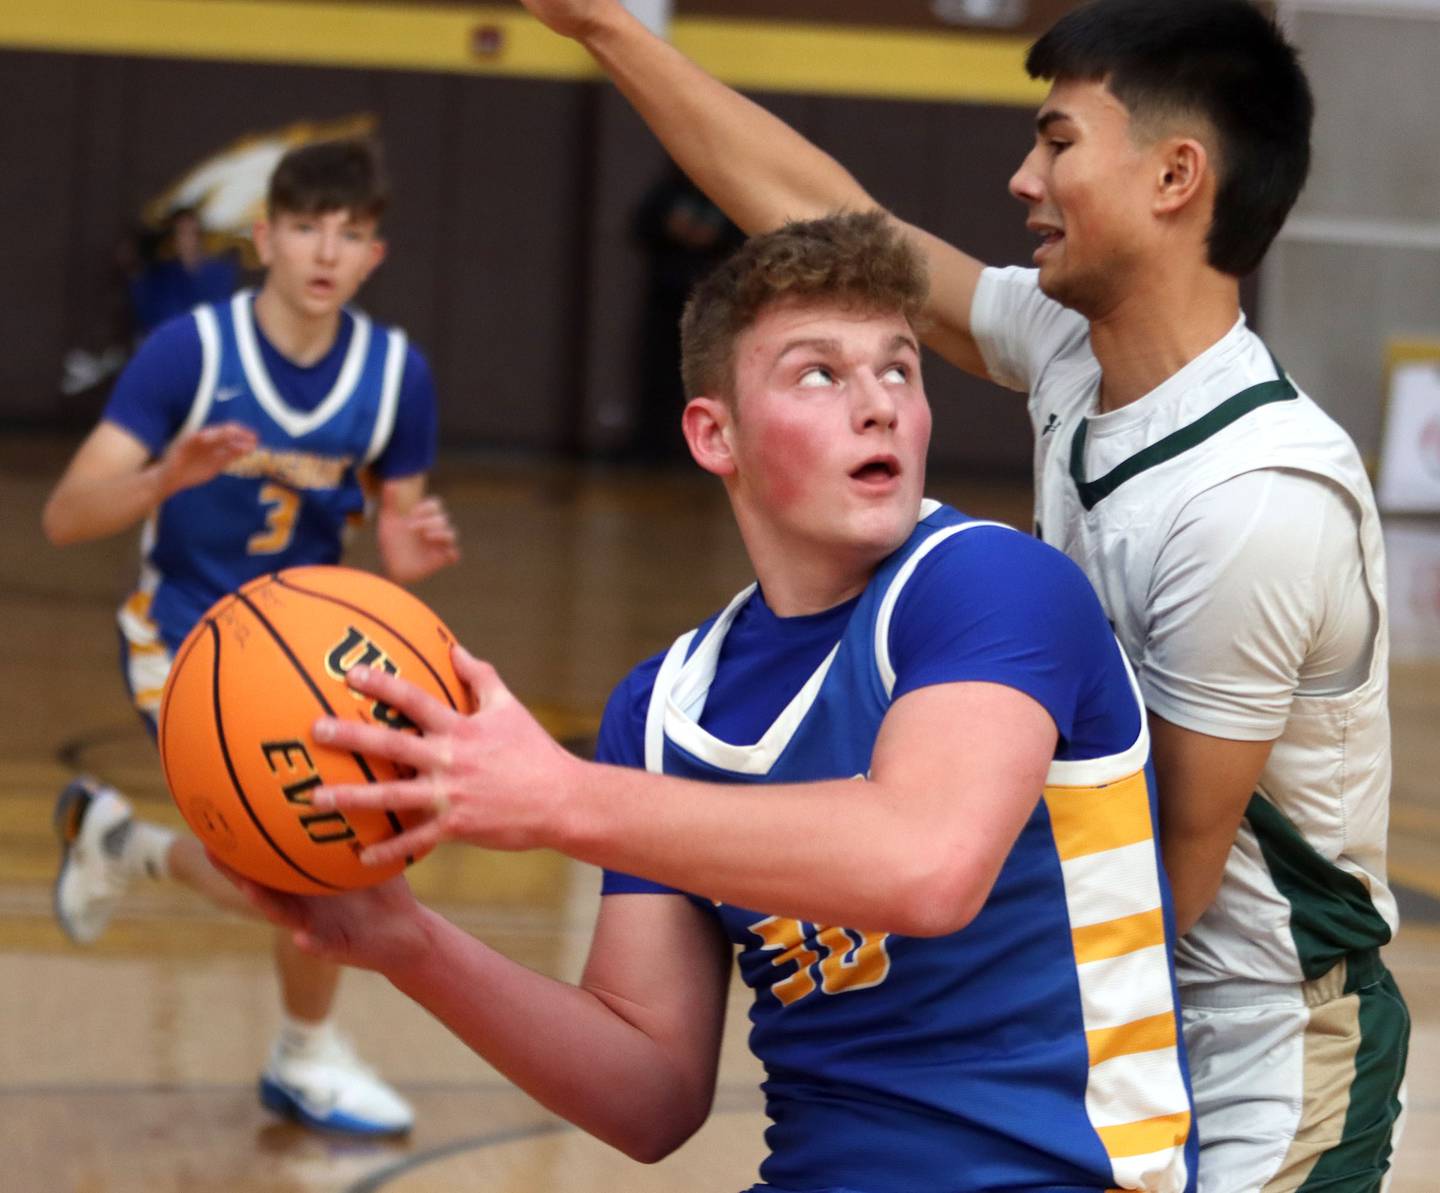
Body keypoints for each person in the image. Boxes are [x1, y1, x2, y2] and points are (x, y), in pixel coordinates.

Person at [510, 0, 1410, 1187]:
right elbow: (832, 220)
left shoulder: (1253, 498)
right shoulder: (1079, 349)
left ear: (1176, 175)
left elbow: (1160, 881)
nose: (1023, 175)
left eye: (1059, 140)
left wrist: (881, 891)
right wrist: (607, 32)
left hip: (1257, 1041)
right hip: (1107, 1019)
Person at [229, 212, 1198, 1192]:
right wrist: (412, 944)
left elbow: (927, 863)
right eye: (820, 373)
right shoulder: (662, 709)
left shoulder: (992, 583)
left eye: (899, 368)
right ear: (714, 433)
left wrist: (559, 797)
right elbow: (649, 1094)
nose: (879, 406)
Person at [43, 136, 460, 1138]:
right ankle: (306, 1055)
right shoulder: (189, 352)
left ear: (375, 256)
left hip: (307, 648)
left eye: (350, 234)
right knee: (318, 870)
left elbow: (397, 535)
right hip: (185, 635)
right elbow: (66, 514)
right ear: (264, 237)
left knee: (339, 864)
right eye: (308, 227)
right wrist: (163, 479)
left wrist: (415, 546)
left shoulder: (394, 372)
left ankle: (123, 847)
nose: (326, 251)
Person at [628, 162, 742, 461]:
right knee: (658, 376)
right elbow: (640, 225)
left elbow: (745, 239)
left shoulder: (728, 194)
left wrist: (711, 235)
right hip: (666, 301)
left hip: (713, 306)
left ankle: (699, 449)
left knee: (707, 378)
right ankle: (653, 448)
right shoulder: (670, 192)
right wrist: (672, 227)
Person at [128, 207, 240, 339]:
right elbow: (153, 322)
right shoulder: (161, 279)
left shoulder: (221, 275)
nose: (189, 240)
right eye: (182, 233)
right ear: (174, 240)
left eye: (194, 233)